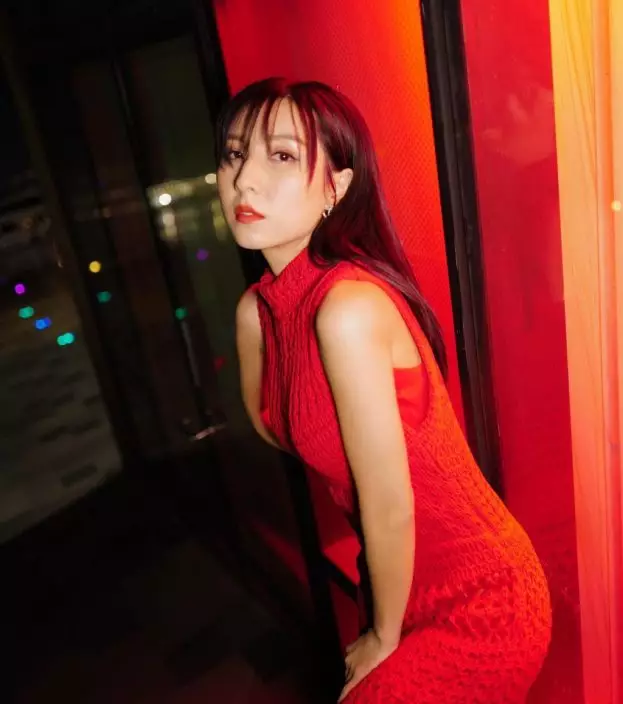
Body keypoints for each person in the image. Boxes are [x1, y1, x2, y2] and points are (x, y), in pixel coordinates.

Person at [216, 77, 552, 703]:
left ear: (336, 187)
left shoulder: (348, 307)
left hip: (482, 597)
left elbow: (390, 502)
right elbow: (287, 431)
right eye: (235, 153)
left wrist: (382, 634)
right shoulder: (254, 314)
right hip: (393, 580)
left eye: (282, 155)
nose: (245, 180)